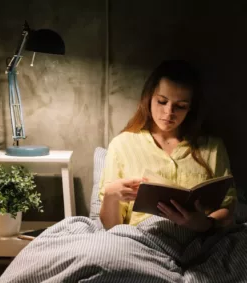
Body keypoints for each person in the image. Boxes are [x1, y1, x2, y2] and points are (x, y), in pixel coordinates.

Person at [99, 59, 237, 231]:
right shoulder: (122, 145)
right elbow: (111, 227)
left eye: (180, 106)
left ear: (190, 109)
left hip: (200, 238)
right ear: (149, 98)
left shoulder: (212, 147)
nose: (169, 112)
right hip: (142, 239)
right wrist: (111, 196)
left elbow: (228, 208)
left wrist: (204, 224)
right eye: (162, 102)